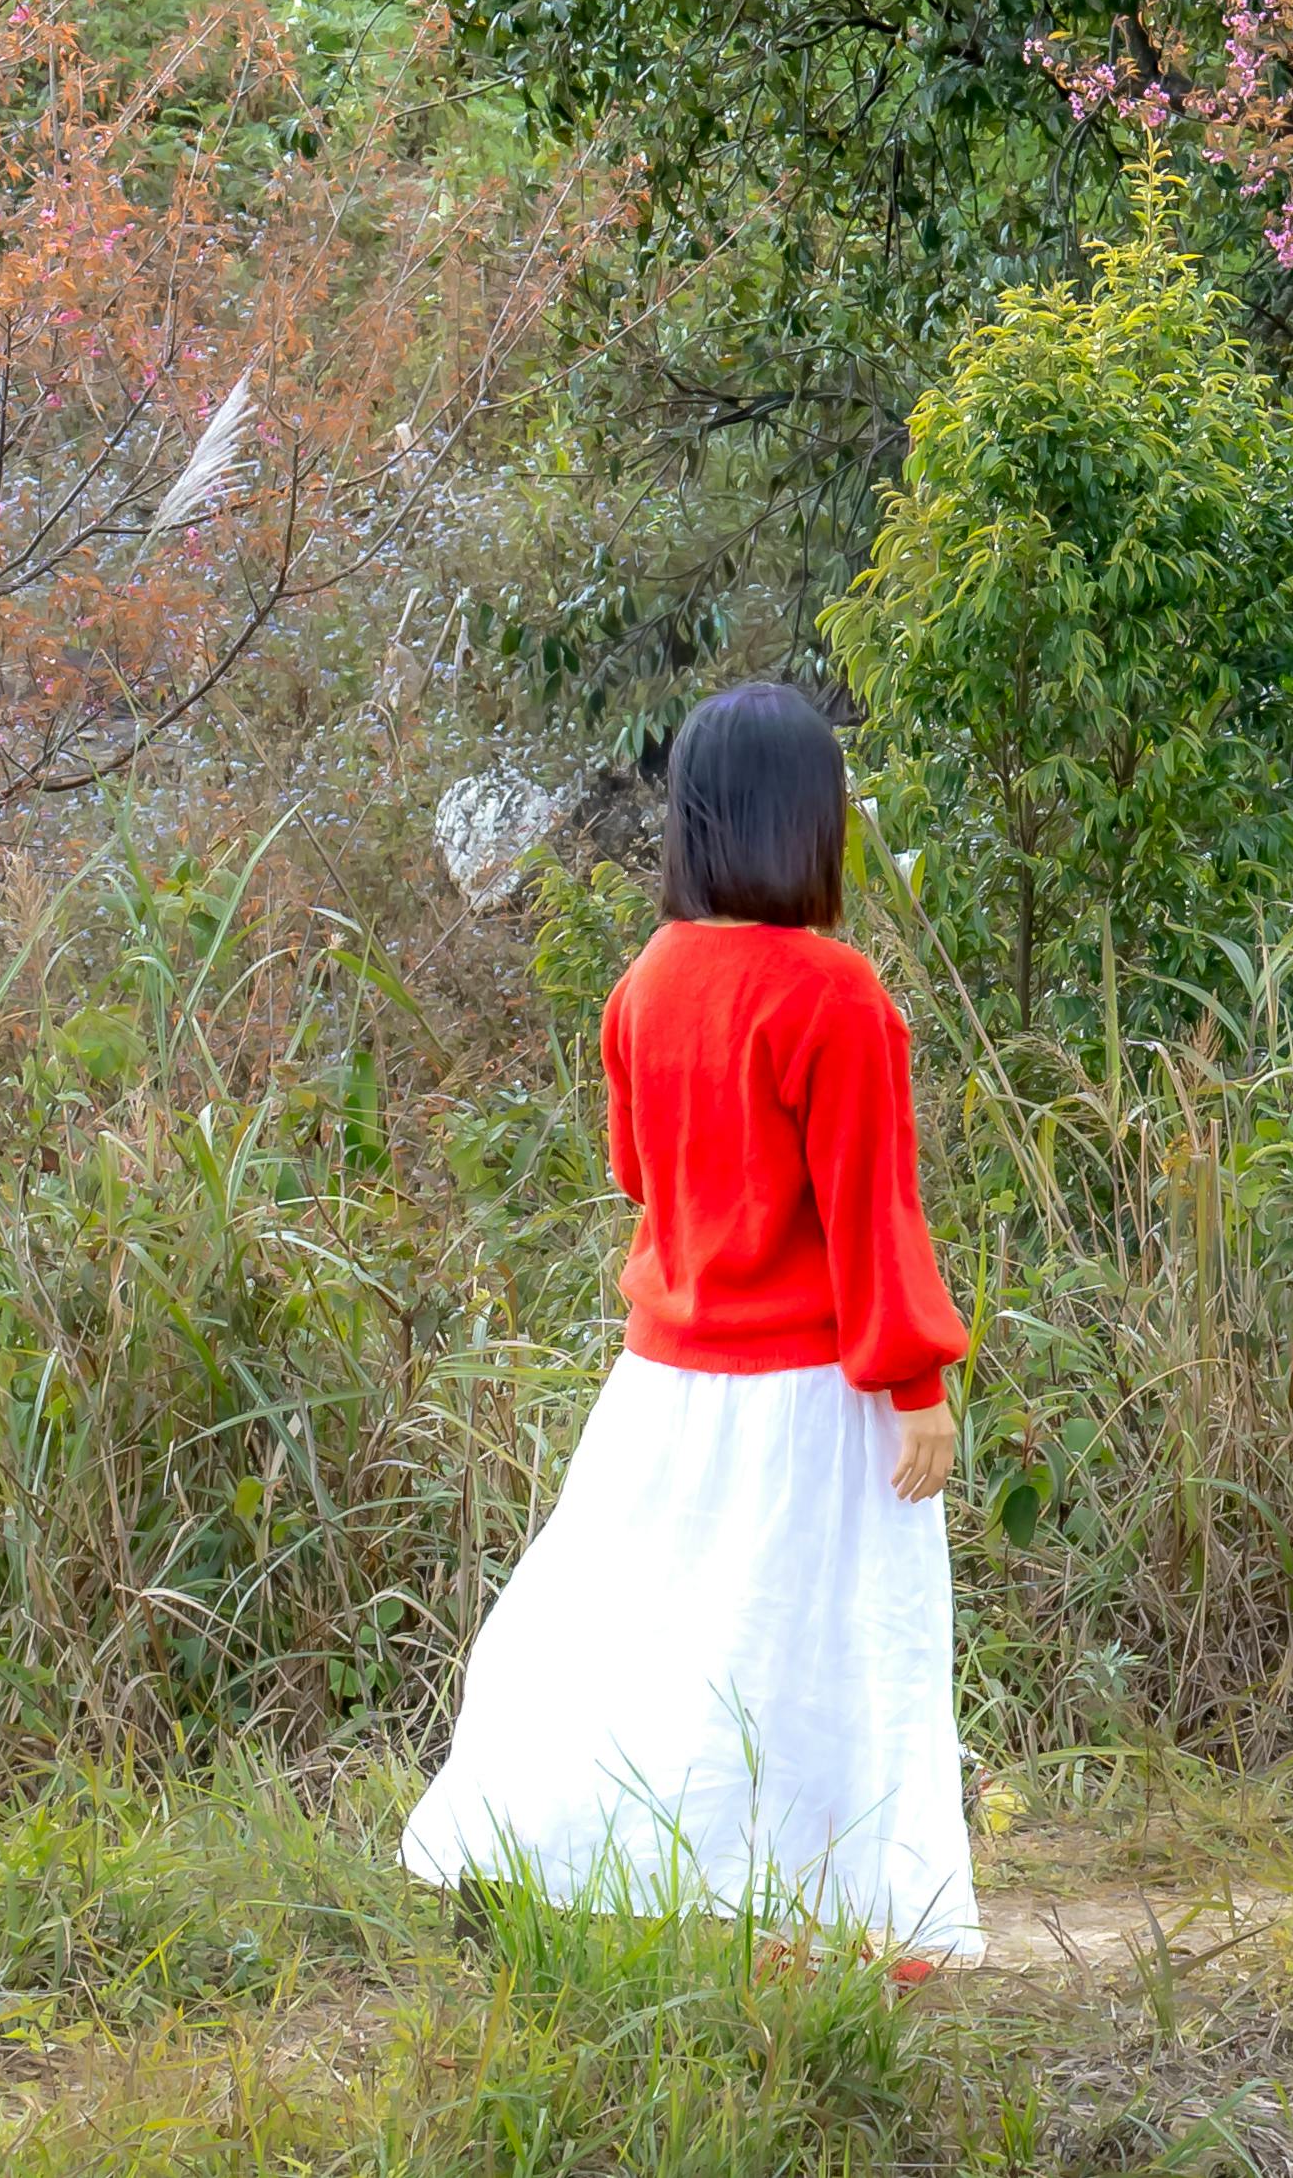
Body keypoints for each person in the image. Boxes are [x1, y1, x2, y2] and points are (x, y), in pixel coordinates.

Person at [404, 683, 979, 1961]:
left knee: (648, 1641)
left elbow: (638, 1175)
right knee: (818, 1660)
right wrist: (917, 1382)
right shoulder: (832, 993)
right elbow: (871, 1211)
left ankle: (618, 1880)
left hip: (662, 1388)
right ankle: (839, 1928)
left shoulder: (645, 983)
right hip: (809, 1392)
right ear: (809, 821)